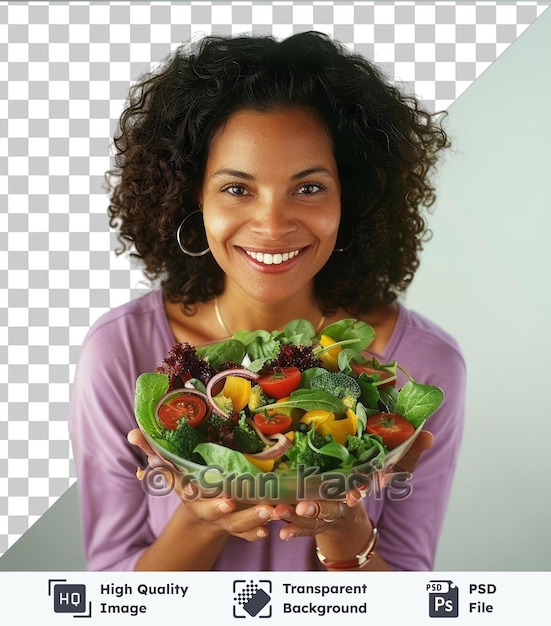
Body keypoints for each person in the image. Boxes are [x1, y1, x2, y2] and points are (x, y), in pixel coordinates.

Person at [69, 31, 465, 572]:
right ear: (193, 195)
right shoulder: (119, 353)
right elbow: (109, 593)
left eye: (308, 188)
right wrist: (200, 519)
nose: (273, 226)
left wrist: (345, 523)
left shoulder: (422, 365)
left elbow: (415, 599)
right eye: (237, 188)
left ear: (352, 197)